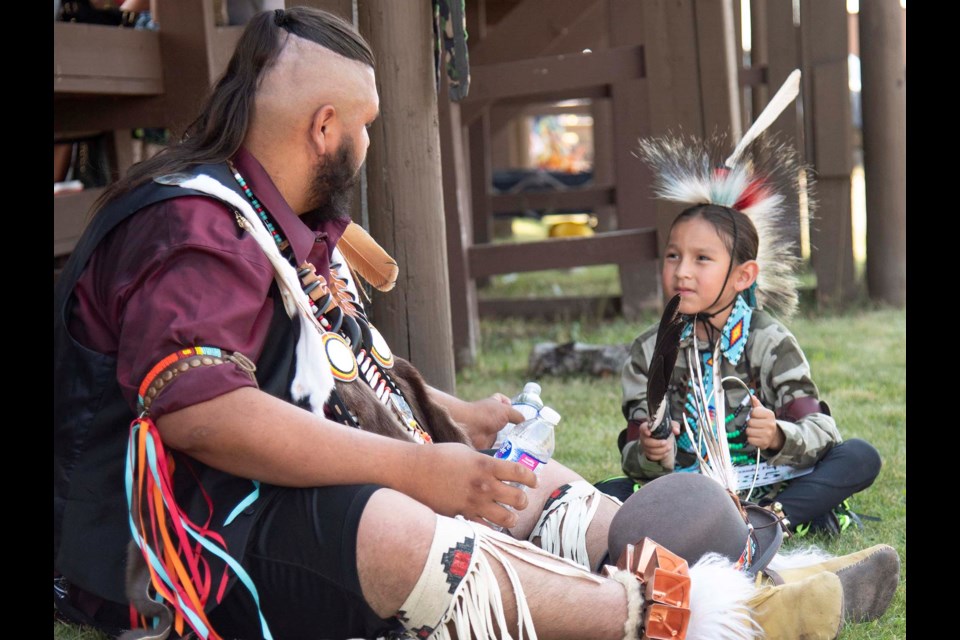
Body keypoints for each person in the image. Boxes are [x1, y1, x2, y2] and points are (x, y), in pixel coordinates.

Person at [54, 8, 895, 640]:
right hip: (189, 547)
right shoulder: (192, 228)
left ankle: (680, 558)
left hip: (276, 497)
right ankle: (679, 612)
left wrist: (454, 418)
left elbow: (341, 371)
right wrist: (419, 473)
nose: (369, 143)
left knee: (525, 475)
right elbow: (205, 412)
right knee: (399, 527)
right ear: (324, 129)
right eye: (368, 126)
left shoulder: (276, 224)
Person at [603, 131, 882, 538]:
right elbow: (632, 453)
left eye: (702, 259)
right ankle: (722, 526)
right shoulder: (650, 349)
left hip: (771, 487)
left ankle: (765, 522)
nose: (682, 271)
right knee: (603, 493)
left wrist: (775, 435)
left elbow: (822, 433)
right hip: (687, 490)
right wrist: (651, 452)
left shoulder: (770, 341)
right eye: (673, 256)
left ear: (742, 276)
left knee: (859, 456)